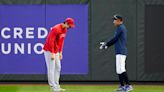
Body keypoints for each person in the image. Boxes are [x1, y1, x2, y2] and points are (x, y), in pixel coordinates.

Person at [100, 15, 133, 92]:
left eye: (115, 20)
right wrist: (106, 45)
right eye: (114, 20)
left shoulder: (121, 28)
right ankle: (122, 86)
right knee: (118, 70)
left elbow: (114, 39)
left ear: (119, 21)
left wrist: (106, 44)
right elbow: (115, 40)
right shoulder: (119, 28)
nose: (113, 21)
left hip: (121, 51)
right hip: (119, 51)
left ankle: (129, 85)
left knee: (121, 69)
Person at [43, 18, 75, 92]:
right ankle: (53, 87)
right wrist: (52, 53)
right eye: (69, 25)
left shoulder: (65, 30)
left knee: (58, 67)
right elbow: (51, 41)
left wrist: (60, 52)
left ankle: (57, 86)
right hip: (49, 50)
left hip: (56, 50)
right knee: (51, 68)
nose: (70, 27)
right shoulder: (56, 29)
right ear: (66, 23)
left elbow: (61, 41)